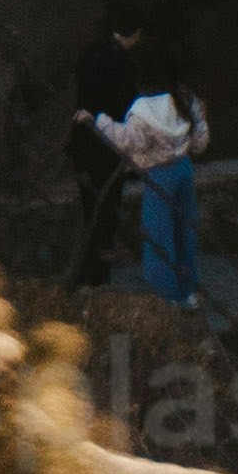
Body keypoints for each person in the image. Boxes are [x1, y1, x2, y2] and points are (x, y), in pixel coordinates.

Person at [85, 49, 207, 307]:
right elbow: (200, 141)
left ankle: (167, 297)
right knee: (184, 232)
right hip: (184, 171)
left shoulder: (143, 109)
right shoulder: (185, 98)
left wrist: (101, 121)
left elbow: (129, 142)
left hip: (157, 176)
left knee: (158, 235)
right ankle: (188, 291)